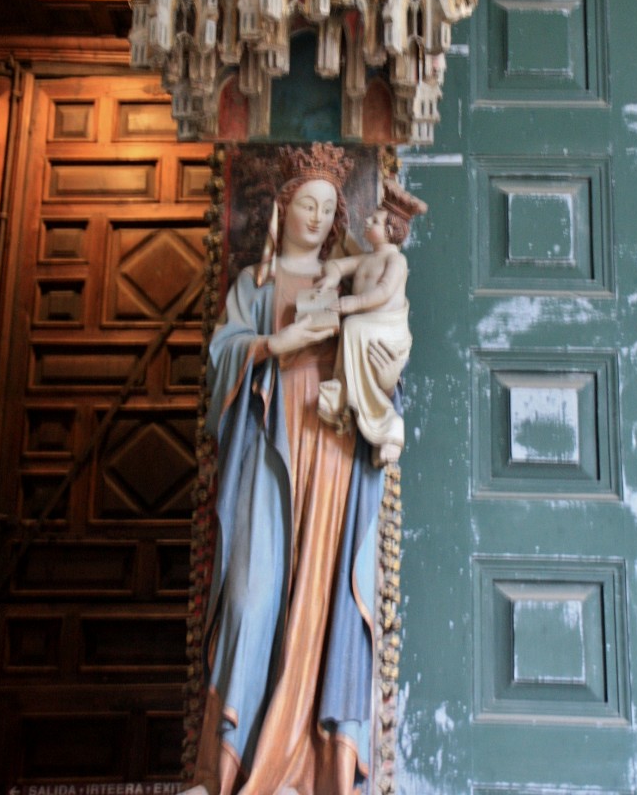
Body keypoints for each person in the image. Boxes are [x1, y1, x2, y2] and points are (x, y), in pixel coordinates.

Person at [185, 143, 406, 795]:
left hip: (331, 452)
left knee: (320, 595)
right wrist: (273, 344)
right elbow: (222, 358)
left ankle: (316, 769)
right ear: (283, 209)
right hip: (265, 452)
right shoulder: (253, 286)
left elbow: (384, 345)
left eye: (327, 206)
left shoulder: (347, 278)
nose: (315, 215)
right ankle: (222, 767)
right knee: (251, 602)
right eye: (305, 203)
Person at [316, 180, 427, 467]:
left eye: (375, 220)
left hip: (387, 328)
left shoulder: (396, 261)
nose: (367, 221)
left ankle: (387, 424)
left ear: (391, 230)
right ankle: (344, 390)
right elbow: (340, 265)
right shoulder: (367, 258)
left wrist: (351, 304)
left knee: (352, 327)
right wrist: (331, 275)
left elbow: (384, 293)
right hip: (369, 326)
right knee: (352, 328)